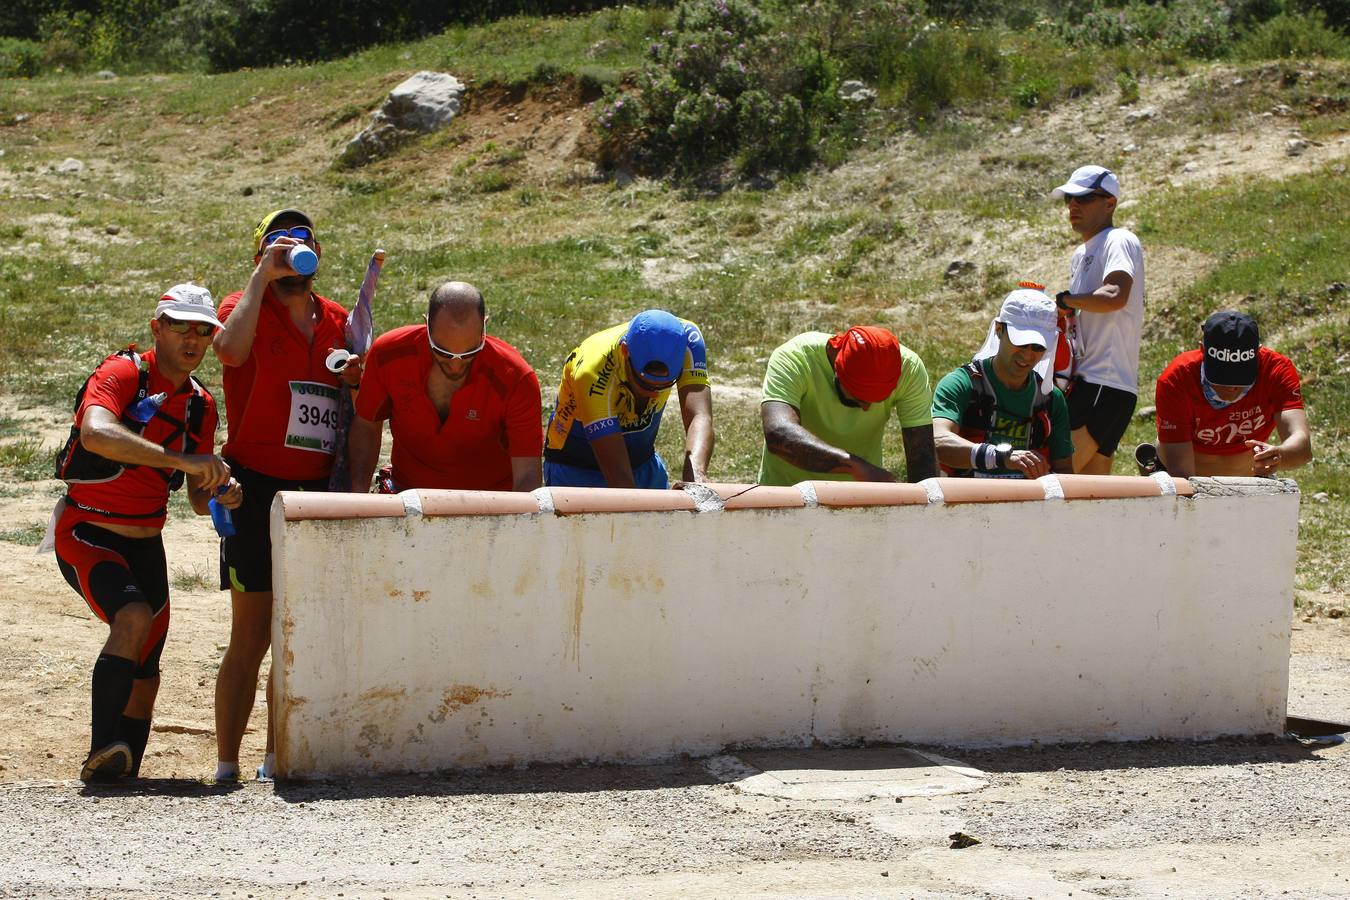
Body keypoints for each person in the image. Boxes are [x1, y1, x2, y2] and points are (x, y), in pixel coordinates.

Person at [51, 284, 241, 782]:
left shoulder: (201, 405)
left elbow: (197, 499)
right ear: (157, 327)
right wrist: (183, 460)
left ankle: (121, 770)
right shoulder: (122, 373)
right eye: (181, 327)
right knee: (132, 618)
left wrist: (219, 490)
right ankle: (100, 748)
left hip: (148, 542)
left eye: (204, 331)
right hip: (87, 531)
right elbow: (95, 432)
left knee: (149, 664)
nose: (193, 340)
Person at [211, 209, 361, 782]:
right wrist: (261, 278)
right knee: (250, 632)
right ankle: (227, 765)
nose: (294, 250)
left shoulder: (339, 320)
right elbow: (228, 353)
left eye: (302, 242)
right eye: (280, 243)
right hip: (256, 488)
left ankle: (277, 758)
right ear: (260, 253)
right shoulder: (241, 306)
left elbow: (359, 389)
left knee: (294, 630)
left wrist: (355, 376)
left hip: (317, 490)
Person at [348, 281, 543, 493]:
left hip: (489, 508)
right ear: (426, 324)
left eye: (470, 352)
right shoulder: (389, 354)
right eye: (443, 352)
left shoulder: (515, 378)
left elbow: (528, 475)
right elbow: (366, 425)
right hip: (409, 498)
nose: (456, 364)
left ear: (484, 327)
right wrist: (358, 497)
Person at [544, 310, 713, 489]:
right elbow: (620, 480)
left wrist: (696, 479)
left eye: (664, 385)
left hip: (642, 462)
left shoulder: (689, 340)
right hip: (576, 468)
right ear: (625, 352)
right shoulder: (592, 370)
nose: (654, 395)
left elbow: (700, 415)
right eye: (645, 385)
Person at [1050, 165, 1146, 474]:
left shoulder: (1119, 239)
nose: (1073, 205)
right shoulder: (1082, 253)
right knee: (1090, 500)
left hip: (1103, 382)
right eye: (1069, 199)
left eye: (1085, 197)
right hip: (1095, 382)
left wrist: (1066, 300)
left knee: (1053, 479)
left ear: (1110, 203)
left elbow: (1115, 295)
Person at [759, 325, 936, 485]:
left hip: (860, 500)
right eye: (859, 397)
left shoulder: (909, 370)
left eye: (877, 400)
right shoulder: (796, 357)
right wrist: (852, 465)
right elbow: (778, 433)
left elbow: (922, 458)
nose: (866, 408)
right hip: (787, 495)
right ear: (838, 369)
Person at [932, 289, 1074, 479]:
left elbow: (1064, 470)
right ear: (999, 329)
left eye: (1038, 347)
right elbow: (936, 441)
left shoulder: (1052, 400)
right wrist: (998, 457)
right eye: (1021, 342)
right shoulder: (960, 384)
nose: (1028, 355)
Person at [1153, 310, 1311, 478]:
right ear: (1203, 351)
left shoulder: (1276, 371)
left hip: (1248, 480)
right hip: (1186, 477)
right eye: (1221, 377)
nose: (1232, 388)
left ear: (1258, 353)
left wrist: (1279, 456)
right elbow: (1180, 473)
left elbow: (1302, 447)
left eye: (1241, 377)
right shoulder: (1177, 378)